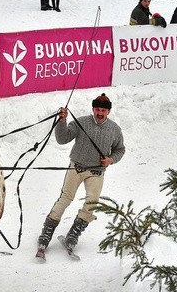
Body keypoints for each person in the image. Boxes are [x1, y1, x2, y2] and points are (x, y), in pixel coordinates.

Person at [36, 94, 126, 255]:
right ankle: (46, 234)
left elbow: (120, 149)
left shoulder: (114, 129)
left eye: (103, 110)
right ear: (93, 109)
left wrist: (111, 160)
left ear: (108, 112)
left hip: (96, 172)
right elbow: (62, 139)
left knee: (92, 203)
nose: (100, 113)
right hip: (76, 168)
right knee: (65, 199)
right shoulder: (82, 122)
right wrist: (62, 121)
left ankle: (73, 235)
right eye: (97, 109)